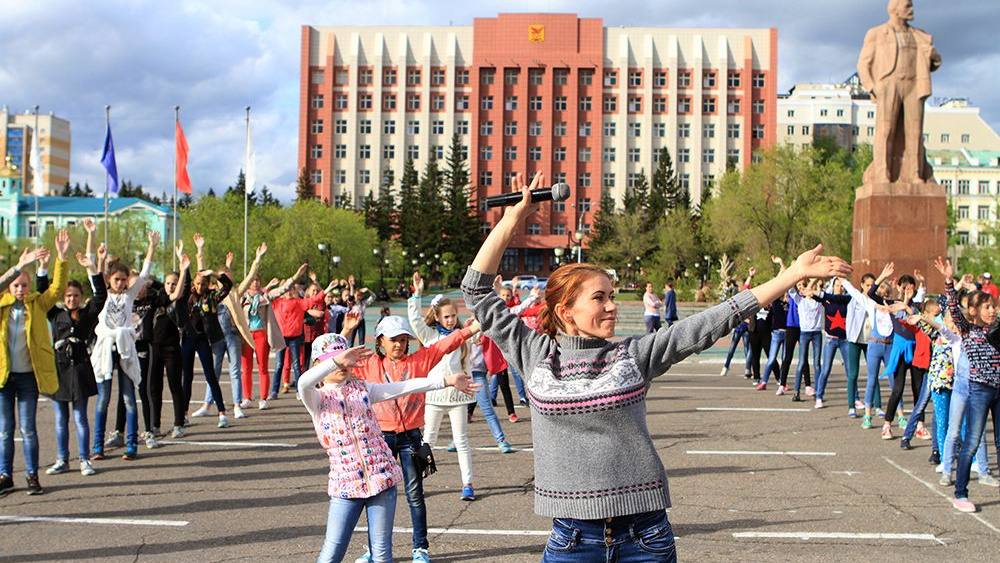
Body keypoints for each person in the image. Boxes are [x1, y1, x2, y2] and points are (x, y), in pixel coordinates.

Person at [462, 171, 850, 562]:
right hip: (572, 540)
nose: (612, 305)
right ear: (565, 310)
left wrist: (791, 275)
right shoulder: (534, 355)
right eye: (600, 298)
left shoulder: (632, 355)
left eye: (612, 295)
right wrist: (513, 219)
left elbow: (710, 321)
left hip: (644, 538)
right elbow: (476, 290)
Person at [299, 334, 478, 563]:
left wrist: (447, 381)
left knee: (382, 554)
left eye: (345, 359)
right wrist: (336, 361)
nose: (343, 364)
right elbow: (304, 382)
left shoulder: (363, 389)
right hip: (345, 485)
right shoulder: (316, 398)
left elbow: (404, 386)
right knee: (332, 551)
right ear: (319, 365)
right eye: (335, 360)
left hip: (381, 479)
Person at [354, 313, 479, 563]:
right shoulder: (369, 364)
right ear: (380, 342)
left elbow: (445, 345)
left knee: (415, 494)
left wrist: (473, 328)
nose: (399, 344)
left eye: (403, 339)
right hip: (380, 437)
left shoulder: (419, 360)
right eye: (393, 340)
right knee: (377, 496)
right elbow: (338, 362)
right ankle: (373, 548)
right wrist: (347, 329)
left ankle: (420, 548)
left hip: (411, 436)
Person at [935, 257, 1000, 513]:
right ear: (973, 311)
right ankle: (960, 493)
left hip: (999, 390)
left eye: (993, 306)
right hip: (979, 390)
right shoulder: (968, 330)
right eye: (986, 307)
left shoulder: (997, 329)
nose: (992, 310)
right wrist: (950, 282)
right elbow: (952, 306)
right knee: (972, 441)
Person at [0, 242, 64, 497]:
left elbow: (57, 288)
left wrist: (60, 258)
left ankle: (31, 475)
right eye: (16, 285)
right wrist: (19, 266)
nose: (20, 289)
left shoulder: (37, 304)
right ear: (10, 286)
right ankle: (5, 476)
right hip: (4, 378)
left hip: (28, 377)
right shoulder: (2, 305)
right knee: (5, 430)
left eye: (24, 285)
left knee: (28, 428)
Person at [407, 272, 479, 500]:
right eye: (446, 316)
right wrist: (417, 294)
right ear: (437, 317)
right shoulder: (430, 336)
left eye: (453, 316)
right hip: (434, 396)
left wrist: (491, 296)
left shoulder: (462, 335)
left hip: (458, 396)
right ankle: (418, 482)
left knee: (461, 441)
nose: (450, 319)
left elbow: (479, 331)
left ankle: (467, 484)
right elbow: (415, 320)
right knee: (428, 440)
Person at [857, 0, 942, 185]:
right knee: (885, 130)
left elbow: (934, 63)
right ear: (895, 10)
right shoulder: (876, 33)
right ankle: (882, 175)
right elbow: (863, 64)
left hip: (914, 85)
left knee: (915, 132)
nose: (911, 10)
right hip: (889, 84)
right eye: (907, 6)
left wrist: (934, 56)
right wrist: (872, 87)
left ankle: (915, 175)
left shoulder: (920, 35)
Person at [91, 231, 158, 461]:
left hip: (126, 348)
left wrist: (152, 246)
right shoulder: (103, 296)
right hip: (105, 349)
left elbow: (146, 271)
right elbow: (95, 275)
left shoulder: (129, 296)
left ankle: (132, 445)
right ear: (110, 279)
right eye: (116, 279)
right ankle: (98, 446)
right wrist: (99, 256)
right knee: (103, 399)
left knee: (129, 397)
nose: (120, 283)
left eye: (123, 280)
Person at [46, 243, 107, 477]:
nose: (72, 299)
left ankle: (84, 459)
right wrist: (58, 258)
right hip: (59, 371)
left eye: (76, 296)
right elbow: (45, 292)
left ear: (81, 297)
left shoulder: (86, 314)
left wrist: (92, 268)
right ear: (64, 297)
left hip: (80, 370)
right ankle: (62, 459)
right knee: (60, 419)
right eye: (68, 296)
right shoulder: (56, 314)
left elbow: (101, 296)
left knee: (81, 417)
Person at [180, 241, 233, 428]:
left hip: (204, 339)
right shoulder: (188, 296)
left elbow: (228, 285)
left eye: (203, 284)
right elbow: (182, 284)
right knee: (187, 377)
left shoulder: (212, 297)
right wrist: (195, 253)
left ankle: (222, 413)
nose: (200, 287)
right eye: (198, 284)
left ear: (207, 284)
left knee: (210, 375)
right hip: (188, 339)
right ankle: (183, 414)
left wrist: (213, 274)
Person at [147, 249, 192, 439]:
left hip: (172, 349)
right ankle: (154, 424)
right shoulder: (157, 298)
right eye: (168, 283)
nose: (171, 286)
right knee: (154, 387)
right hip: (154, 348)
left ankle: (178, 423)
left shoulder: (179, 299)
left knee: (175, 386)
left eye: (174, 284)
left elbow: (184, 287)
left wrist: (184, 270)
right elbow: (150, 283)